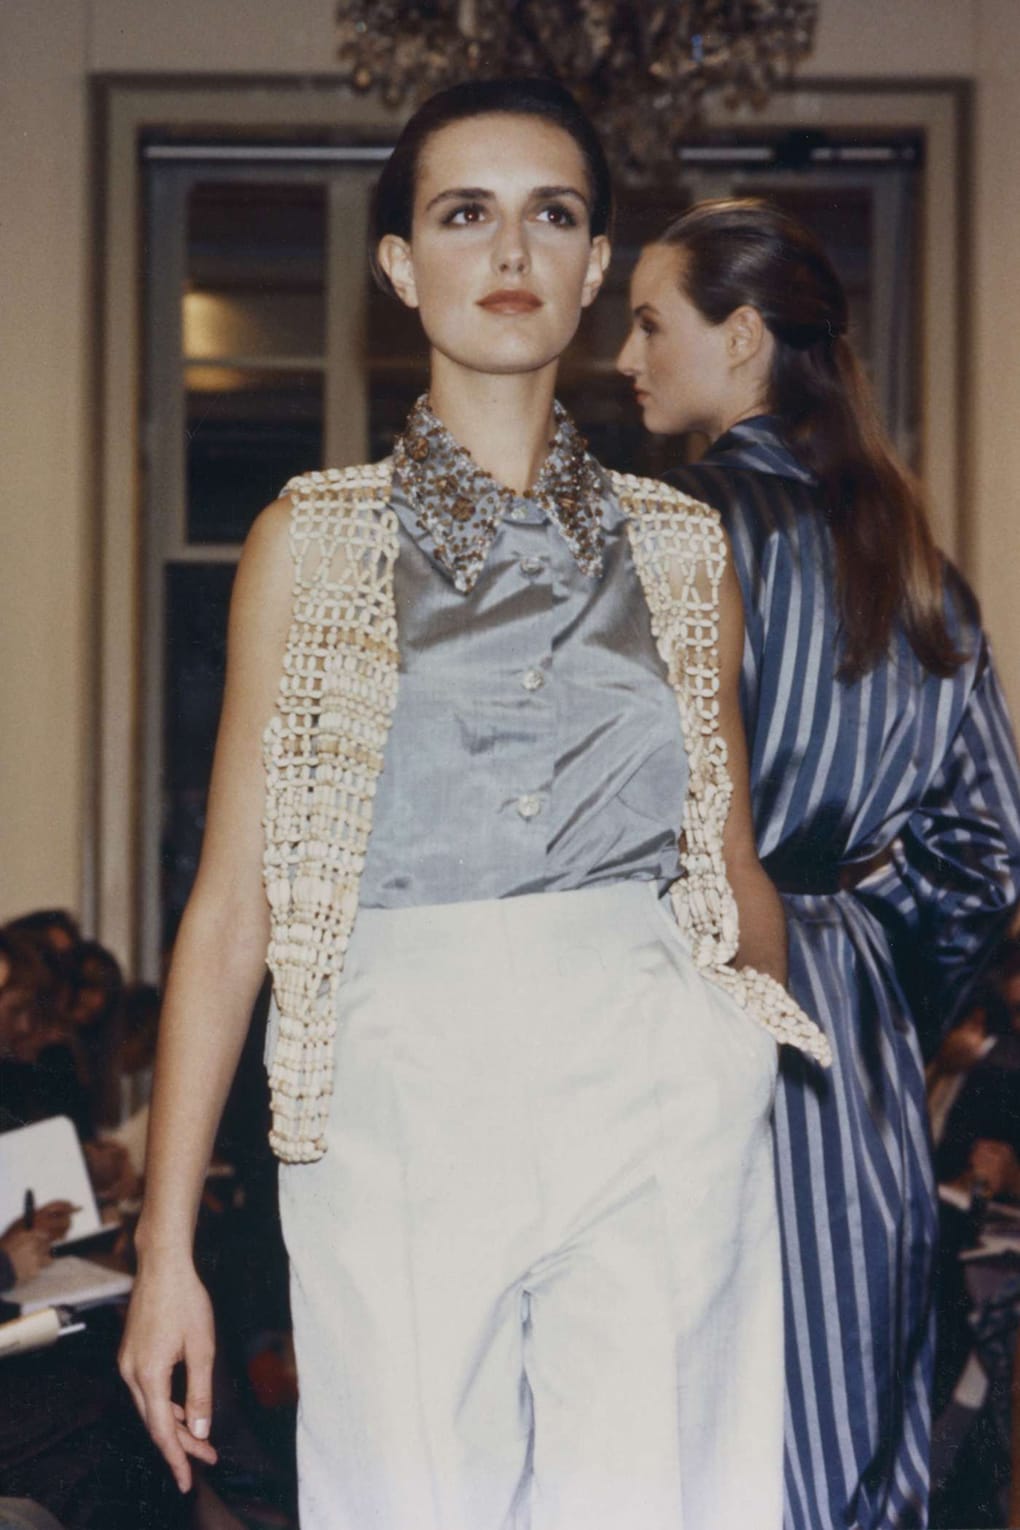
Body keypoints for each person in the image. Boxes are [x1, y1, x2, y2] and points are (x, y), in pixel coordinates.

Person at [119, 83, 828, 1530]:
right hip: (395, 1086)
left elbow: (731, 862)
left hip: (655, 1078)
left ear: (593, 265)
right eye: (464, 214)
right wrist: (164, 1246)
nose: (510, 250)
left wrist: (746, 1050)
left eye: (551, 215)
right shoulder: (312, 539)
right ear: (400, 265)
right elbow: (233, 906)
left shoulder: (684, 546)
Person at [617, 196, 1020, 1530]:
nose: (624, 357)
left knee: (680, 1422)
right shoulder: (916, 560)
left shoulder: (668, 529)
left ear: (741, 338)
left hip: (677, 1001)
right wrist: (871, 973)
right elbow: (989, 848)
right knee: (852, 1428)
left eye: (649, 324)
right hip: (853, 1041)